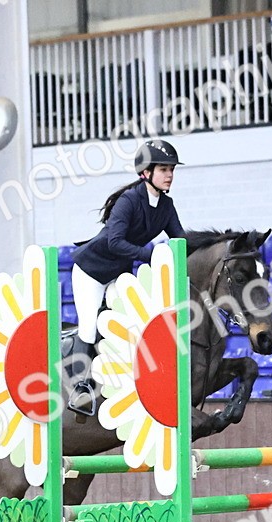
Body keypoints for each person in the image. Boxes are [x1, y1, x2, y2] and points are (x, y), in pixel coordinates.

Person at [67, 139, 187, 415]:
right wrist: (152, 255)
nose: (169, 175)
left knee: (125, 324)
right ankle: (80, 388)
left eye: (172, 170)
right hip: (92, 271)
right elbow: (114, 242)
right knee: (89, 326)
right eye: (164, 169)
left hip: (119, 273)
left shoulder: (166, 206)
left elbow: (181, 240)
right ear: (146, 172)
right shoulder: (129, 200)